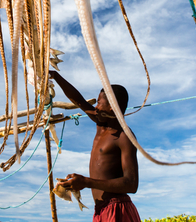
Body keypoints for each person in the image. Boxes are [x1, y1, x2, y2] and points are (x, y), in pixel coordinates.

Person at [49, 70, 141, 222]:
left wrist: (86, 182)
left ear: (112, 107)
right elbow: (79, 100)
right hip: (101, 210)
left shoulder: (124, 137)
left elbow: (131, 184)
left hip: (118, 210)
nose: (95, 107)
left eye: (99, 103)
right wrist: (56, 76)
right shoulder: (101, 124)